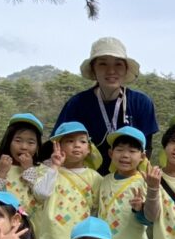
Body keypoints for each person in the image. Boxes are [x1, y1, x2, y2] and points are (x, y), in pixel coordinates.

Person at [54, 37, 158, 175]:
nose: (111, 71)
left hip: (127, 181)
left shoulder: (141, 103)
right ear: (93, 69)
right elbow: (57, 143)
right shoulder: (77, 104)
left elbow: (147, 148)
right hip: (84, 182)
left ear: (126, 69)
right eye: (103, 64)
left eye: (118, 64)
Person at [32, 121, 102, 239]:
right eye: (70, 141)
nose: (76, 145)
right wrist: (55, 166)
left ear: (89, 149)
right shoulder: (46, 171)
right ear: (58, 145)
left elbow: (98, 208)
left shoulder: (95, 178)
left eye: (82, 141)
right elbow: (40, 194)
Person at [0, 113, 47, 216]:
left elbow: (42, 196)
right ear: (8, 142)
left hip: (32, 228)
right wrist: (1, 173)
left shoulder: (42, 170)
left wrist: (29, 169)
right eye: (18, 140)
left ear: (38, 146)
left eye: (31, 142)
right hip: (1, 227)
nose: (24, 147)